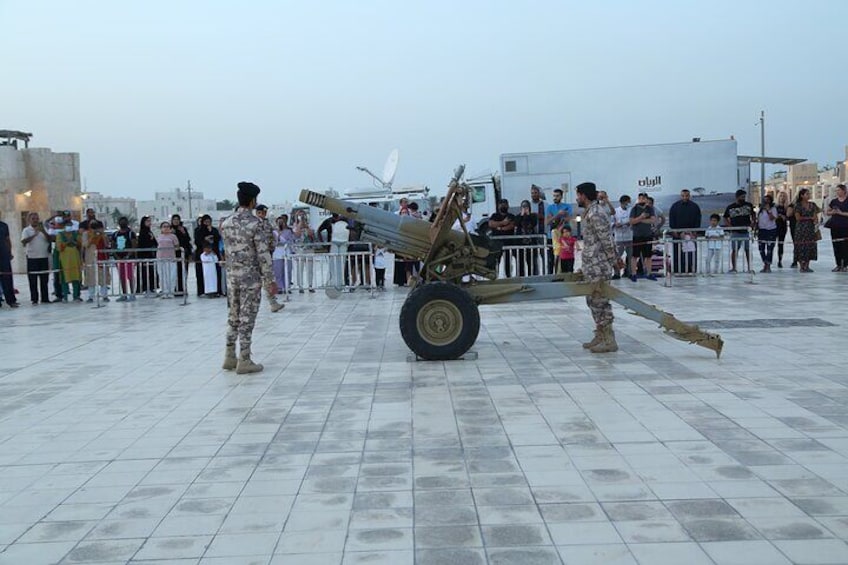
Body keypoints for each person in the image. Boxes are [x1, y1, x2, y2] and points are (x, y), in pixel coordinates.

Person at [220, 181, 278, 374]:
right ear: (253, 201)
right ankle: (244, 359)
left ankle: (229, 356)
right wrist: (270, 281)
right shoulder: (256, 224)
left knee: (233, 316)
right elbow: (263, 254)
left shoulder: (226, 223)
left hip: (232, 277)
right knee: (247, 317)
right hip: (250, 278)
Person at [576, 182, 619, 353]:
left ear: (584, 195)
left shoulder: (596, 214)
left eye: (578, 195)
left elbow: (606, 240)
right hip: (591, 265)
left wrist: (614, 261)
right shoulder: (589, 213)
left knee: (600, 301)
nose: (577, 198)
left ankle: (609, 339)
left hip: (599, 265)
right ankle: (600, 334)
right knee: (592, 300)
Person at [668, 189, 702, 273]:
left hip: (691, 235)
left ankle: (692, 270)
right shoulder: (675, 206)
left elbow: (698, 220)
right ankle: (678, 270)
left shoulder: (695, 206)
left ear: (689, 196)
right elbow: (672, 220)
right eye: (683, 195)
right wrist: (677, 232)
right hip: (678, 235)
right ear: (681, 196)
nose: (685, 197)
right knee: (678, 253)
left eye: (687, 195)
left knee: (691, 253)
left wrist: (693, 232)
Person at [21, 212, 52, 305]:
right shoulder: (26, 230)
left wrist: (43, 231)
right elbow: (23, 242)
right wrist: (34, 234)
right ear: (29, 220)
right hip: (32, 258)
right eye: (33, 219)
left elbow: (50, 239)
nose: (35, 220)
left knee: (44, 279)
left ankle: (45, 298)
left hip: (44, 257)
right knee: (33, 280)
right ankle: (34, 299)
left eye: (36, 218)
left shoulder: (44, 229)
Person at [723, 189, 755, 273]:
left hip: (746, 231)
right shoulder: (730, 207)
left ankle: (749, 267)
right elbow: (725, 217)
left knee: (748, 250)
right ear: (737, 197)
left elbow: (753, 214)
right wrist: (729, 226)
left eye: (744, 197)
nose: (743, 198)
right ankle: (734, 267)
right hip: (735, 232)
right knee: (735, 250)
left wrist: (753, 222)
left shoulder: (748, 205)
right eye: (742, 197)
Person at [629, 193, 657, 282]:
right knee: (635, 256)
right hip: (637, 235)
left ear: (646, 199)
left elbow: (653, 220)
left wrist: (640, 220)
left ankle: (649, 273)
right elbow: (631, 221)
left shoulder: (650, 209)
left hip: (648, 235)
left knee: (648, 256)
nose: (642, 200)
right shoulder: (634, 209)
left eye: (643, 198)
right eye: (640, 198)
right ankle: (633, 274)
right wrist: (641, 217)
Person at [82, 220, 110, 302]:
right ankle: (91, 296)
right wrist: (92, 236)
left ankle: (104, 295)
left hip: (102, 257)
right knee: (91, 278)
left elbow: (106, 244)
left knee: (103, 277)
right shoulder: (86, 234)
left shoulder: (102, 234)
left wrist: (102, 234)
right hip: (91, 258)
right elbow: (85, 244)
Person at [545, 189, 572, 274]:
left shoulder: (567, 206)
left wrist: (564, 215)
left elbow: (568, 218)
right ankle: (550, 275)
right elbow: (547, 222)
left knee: (564, 258)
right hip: (552, 237)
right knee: (551, 259)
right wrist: (558, 215)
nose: (555, 198)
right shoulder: (550, 207)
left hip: (564, 237)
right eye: (554, 196)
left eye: (557, 196)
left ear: (561, 196)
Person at [56, 219, 83, 302]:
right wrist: (67, 242)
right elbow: (59, 247)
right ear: (64, 227)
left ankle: (76, 296)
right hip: (65, 260)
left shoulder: (75, 234)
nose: (69, 227)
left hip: (75, 258)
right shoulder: (60, 235)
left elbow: (80, 244)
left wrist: (75, 243)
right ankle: (65, 297)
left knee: (76, 277)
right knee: (64, 278)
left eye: (70, 225)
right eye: (67, 225)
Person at [194, 214, 221, 296]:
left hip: (213, 252)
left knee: (216, 273)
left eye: (209, 222)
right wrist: (204, 239)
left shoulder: (214, 230)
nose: (207, 223)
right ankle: (202, 291)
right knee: (202, 273)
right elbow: (197, 241)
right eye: (205, 222)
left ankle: (216, 290)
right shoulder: (198, 230)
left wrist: (211, 232)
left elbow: (217, 238)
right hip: (202, 253)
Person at [794, 188, 820, 273]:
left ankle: (807, 265)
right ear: (802, 196)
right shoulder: (798, 205)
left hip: (810, 229)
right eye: (807, 194)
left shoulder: (813, 205)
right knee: (801, 247)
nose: (809, 195)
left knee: (810, 246)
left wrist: (816, 221)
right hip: (800, 229)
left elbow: (816, 215)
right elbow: (798, 218)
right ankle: (802, 266)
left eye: (809, 194)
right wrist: (810, 218)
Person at [488, 198, 516, 278]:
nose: (503, 206)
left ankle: (508, 276)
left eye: (505, 204)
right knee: (496, 261)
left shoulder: (511, 216)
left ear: (508, 206)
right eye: (501, 204)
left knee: (508, 261)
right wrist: (503, 223)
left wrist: (500, 227)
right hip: (497, 243)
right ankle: (494, 277)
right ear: (498, 206)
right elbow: (491, 224)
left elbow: (511, 225)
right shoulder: (494, 215)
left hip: (509, 243)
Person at [111, 216, 137, 302]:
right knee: (122, 277)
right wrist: (116, 257)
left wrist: (128, 255)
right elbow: (113, 246)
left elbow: (134, 246)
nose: (122, 223)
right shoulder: (115, 234)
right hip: (119, 259)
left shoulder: (131, 233)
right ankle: (124, 294)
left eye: (124, 221)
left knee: (130, 276)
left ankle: (132, 294)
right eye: (121, 222)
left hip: (129, 259)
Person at [825, 184, 848, 272]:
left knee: (845, 246)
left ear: (844, 190)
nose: (837, 192)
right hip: (835, 226)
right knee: (836, 246)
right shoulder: (834, 201)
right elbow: (827, 212)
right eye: (836, 190)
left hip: (845, 226)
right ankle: (838, 264)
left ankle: (845, 265)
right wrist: (833, 212)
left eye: (838, 190)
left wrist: (840, 213)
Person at [293, 211, 316, 293]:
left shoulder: (310, 224)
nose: (302, 217)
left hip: (309, 249)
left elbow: (311, 234)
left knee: (310, 268)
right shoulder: (295, 225)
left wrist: (306, 225)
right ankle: (300, 286)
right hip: (299, 249)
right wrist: (299, 222)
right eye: (300, 215)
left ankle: (310, 285)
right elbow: (297, 234)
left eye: (303, 215)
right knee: (300, 268)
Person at [155, 221, 180, 298]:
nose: (166, 228)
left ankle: (171, 291)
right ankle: (164, 291)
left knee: (171, 276)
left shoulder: (173, 236)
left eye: (168, 226)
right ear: (161, 228)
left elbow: (177, 246)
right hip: (161, 258)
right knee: (162, 276)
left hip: (171, 258)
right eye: (164, 227)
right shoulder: (158, 237)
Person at [515, 200, 538, 276]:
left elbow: (534, 223)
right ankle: (521, 276)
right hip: (520, 244)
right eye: (523, 207)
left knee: (531, 262)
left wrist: (528, 215)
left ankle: (533, 276)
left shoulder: (533, 216)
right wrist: (522, 215)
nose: (525, 208)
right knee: (520, 263)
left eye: (526, 207)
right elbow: (517, 224)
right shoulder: (518, 216)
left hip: (531, 243)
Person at [170, 214, 192, 294]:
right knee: (175, 271)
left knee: (184, 271)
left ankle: (183, 288)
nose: (176, 221)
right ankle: (176, 289)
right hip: (174, 253)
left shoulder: (183, 229)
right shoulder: (170, 229)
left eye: (177, 219)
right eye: (174, 219)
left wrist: (183, 232)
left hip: (183, 253)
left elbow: (187, 240)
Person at [136, 216, 158, 297]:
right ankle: (145, 288)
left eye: (150, 221)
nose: (149, 223)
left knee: (151, 273)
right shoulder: (143, 232)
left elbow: (155, 242)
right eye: (147, 221)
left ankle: (151, 288)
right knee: (145, 273)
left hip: (150, 256)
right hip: (144, 256)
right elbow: (143, 244)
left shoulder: (149, 232)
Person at [756, 194, 778, 273]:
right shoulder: (761, 210)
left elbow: (772, 218)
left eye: (768, 200)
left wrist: (769, 210)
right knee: (761, 248)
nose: (766, 202)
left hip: (771, 230)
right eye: (764, 200)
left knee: (769, 249)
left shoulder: (773, 209)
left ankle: (768, 265)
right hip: (762, 230)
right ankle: (765, 262)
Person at [612, 195, 632, 279]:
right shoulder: (615, 211)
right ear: (621, 203)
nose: (627, 204)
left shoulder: (631, 210)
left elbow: (633, 220)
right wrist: (615, 224)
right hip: (619, 237)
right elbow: (611, 222)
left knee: (630, 256)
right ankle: (617, 273)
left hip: (629, 236)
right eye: (625, 203)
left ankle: (629, 272)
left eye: (628, 203)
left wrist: (629, 223)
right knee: (617, 256)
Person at [0, 213, 17, 308]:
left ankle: (11, 300)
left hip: (4, 255)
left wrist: (9, 252)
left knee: (7, 278)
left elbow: (7, 240)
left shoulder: (4, 225)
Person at [775, 192, 790, 268]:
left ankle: (780, 260)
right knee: (772, 243)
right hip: (774, 226)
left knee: (780, 244)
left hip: (783, 227)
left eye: (784, 196)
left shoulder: (787, 207)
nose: (782, 197)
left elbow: (788, 216)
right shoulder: (775, 206)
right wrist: (779, 215)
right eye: (781, 196)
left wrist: (784, 216)